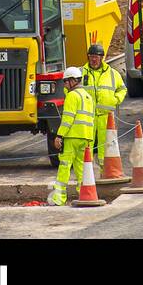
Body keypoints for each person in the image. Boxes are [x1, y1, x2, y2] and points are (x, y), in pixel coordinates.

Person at [50, 67, 95, 206]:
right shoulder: (88, 97)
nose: (64, 85)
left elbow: (68, 119)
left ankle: (58, 198)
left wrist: (59, 136)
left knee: (64, 165)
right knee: (81, 169)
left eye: (65, 81)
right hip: (86, 137)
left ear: (72, 81)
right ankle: (85, 195)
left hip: (72, 137)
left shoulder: (72, 96)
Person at [83, 44, 127, 165]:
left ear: (102, 57)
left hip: (105, 117)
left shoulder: (113, 74)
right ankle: (86, 175)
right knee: (86, 145)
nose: (93, 59)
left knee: (105, 145)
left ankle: (105, 171)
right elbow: (69, 89)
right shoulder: (81, 73)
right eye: (91, 56)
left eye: (96, 57)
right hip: (87, 116)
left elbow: (122, 89)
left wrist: (116, 99)